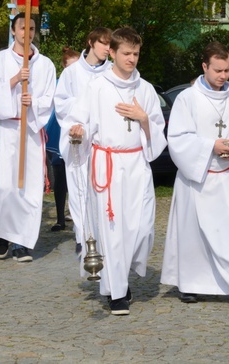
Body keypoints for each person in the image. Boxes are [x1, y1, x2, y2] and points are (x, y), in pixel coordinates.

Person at [66, 26, 166, 316]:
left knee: (142, 229)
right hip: (107, 164)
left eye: (136, 53)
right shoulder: (97, 87)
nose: (131, 59)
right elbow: (78, 121)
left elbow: (158, 132)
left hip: (136, 164)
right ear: (111, 52)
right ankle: (116, 293)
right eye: (126, 53)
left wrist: (143, 118)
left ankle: (121, 276)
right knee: (112, 231)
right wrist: (77, 130)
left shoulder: (145, 89)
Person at [161, 41, 229, 308]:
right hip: (197, 177)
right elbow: (177, 138)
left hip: (227, 177)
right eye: (218, 70)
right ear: (204, 66)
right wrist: (211, 146)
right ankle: (189, 285)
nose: (223, 76)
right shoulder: (188, 98)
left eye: (227, 70)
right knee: (193, 234)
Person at [0, 13, 57, 262]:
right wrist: (14, 81)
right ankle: (3, 233)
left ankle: (22, 241)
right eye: (23, 28)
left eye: (32, 28)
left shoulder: (45, 64)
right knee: (4, 186)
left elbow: (49, 98)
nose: (28, 32)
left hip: (31, 131)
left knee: (29, 188)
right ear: (14, 31)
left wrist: (33, 101)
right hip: (5, 129)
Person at [54, 29, 113, 257]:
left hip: (102, 137)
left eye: (110, 45)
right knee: (79, 188)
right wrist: (82, 110)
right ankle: (82, 236)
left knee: (100, 188)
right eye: (103, 43)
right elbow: (60, 103)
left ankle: (102, 235)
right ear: (90, 43)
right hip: (78, 136)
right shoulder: (72, 73)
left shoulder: (112, 72)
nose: (108, 49)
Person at [47, 47, 81, 233]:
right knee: (59, 174)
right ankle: (60, 217)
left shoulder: (84, 82)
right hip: (60, 128)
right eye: (69, 66)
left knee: (78, 174)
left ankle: (78, 217)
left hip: (79, 131)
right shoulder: (59, 83)